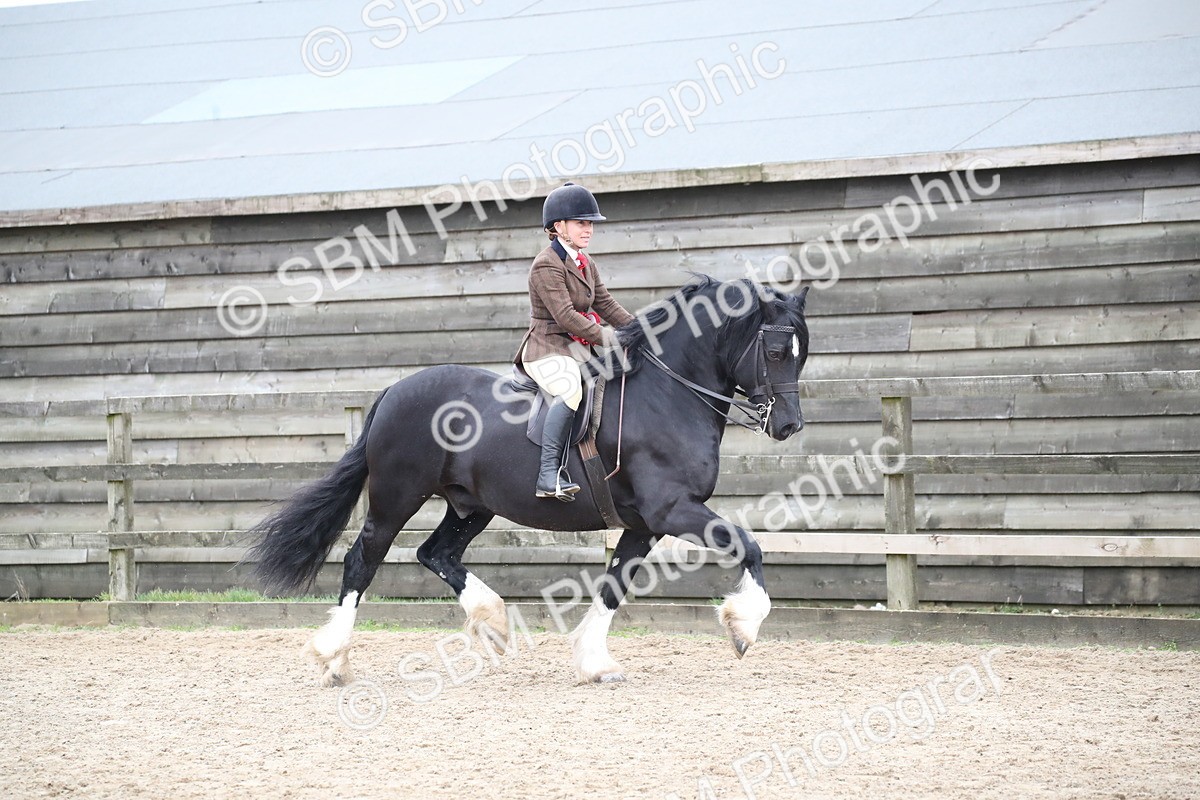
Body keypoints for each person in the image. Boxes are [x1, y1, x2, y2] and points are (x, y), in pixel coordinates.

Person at [514, 182, 636, 501]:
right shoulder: (546, 264)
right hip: (546, 347)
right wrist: (609, 337)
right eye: (581, 222)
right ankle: (548, 476)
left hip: (577, 347)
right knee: (570, 388)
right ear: (559, 227)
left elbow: (605, 304)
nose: (589, 229)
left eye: (590, 223)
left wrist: (640, 331)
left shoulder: (584, 261)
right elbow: (566, 316)